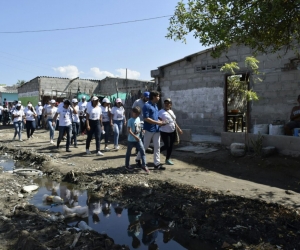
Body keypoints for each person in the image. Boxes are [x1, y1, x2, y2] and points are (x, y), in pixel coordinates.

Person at [135, 91, 167, 170]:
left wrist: (161, 121)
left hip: (156, 129)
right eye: (158, 96)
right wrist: (158, 123)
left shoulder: (155, 106)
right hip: (149, 129)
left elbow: (155, 117)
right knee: (145, 146)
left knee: (157, 147)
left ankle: (157, 164)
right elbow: (146, 118)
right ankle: (138, 159)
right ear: (153, 97)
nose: (159, 98)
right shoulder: (147, 106)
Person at [158, 98, 183, 165]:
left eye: (168, 103)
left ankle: (167, 159)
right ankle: (157, 151)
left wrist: (179, 129)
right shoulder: (161, 112)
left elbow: (174, 122)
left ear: (170, 105)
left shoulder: (171, 111)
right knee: (167, 145)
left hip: (172, 131)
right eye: (165, 103)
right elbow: (158, 121)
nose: (166, 104)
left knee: (171, 146)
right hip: (164, 131)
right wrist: (163, 122)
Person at [125, 106, 149, 174]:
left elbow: (139, 126)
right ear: (132, 112)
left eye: (138, 114)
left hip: (138, 139)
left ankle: (144, 165)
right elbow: (129, 130)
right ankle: (127, 165)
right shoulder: (130, 120)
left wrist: (142, 130)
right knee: (128, 153)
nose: (136, 115)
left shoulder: (138, 118)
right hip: (131, 140)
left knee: (143, 151)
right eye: (135, 113)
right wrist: (135, 136)